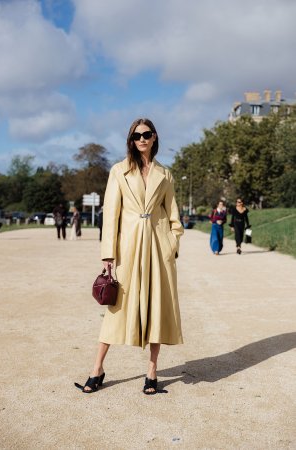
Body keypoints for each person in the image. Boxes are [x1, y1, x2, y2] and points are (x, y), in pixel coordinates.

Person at [75, 118, 184, 395]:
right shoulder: (118, 171)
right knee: (117, 308)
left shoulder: (165, 174)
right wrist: (108, 254)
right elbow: (110, 215)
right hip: (128, 248)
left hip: (158, 248)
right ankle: (97, 368)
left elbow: (174, 215)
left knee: (156, 307)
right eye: (137, 136)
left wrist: (172, 244)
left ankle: (152, 371)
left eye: (147, 134)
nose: (142, 139)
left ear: (155, 137)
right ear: (131, 140)